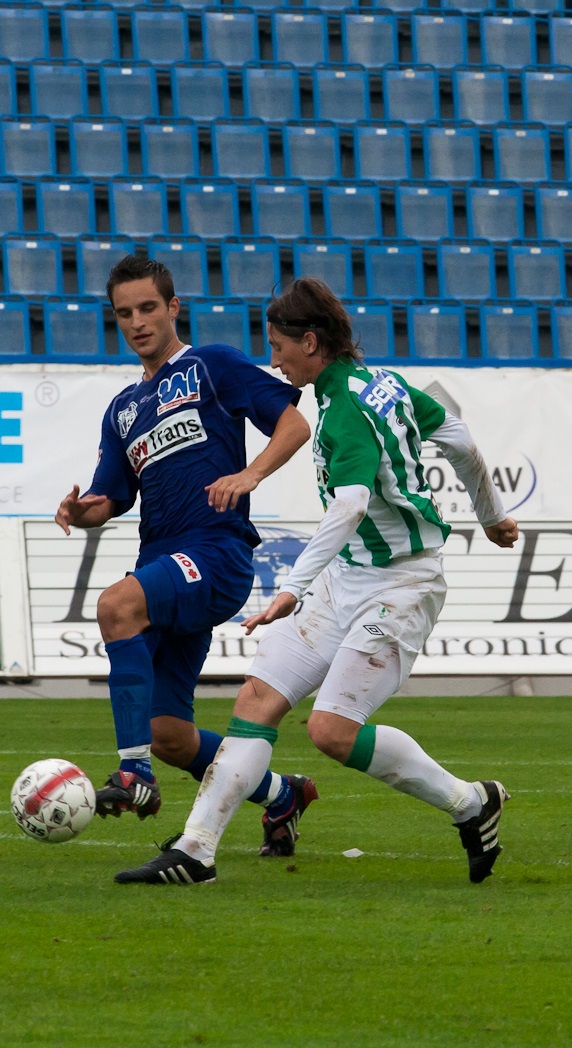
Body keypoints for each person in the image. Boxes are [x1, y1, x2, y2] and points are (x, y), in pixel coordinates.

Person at [115, 276, 519, 887]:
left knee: (331, 732)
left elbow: (352, 502)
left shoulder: (343, 409)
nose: (273, 360)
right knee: (256, 701)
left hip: (403, 583)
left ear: (310, 341)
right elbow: (458, 439)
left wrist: (292, 589)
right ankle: (195, 851)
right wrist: (491, 516)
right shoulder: (382, 384)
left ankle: (471, 804)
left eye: (278, 346)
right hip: (350, 575)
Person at [55, 255, 318, 857]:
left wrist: (250, 474)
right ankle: (281, 793)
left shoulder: (211, 364)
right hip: (167, 564)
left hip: (217, 553)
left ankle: (132, 776)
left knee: (116, 606)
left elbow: (293, 425)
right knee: (168, 734)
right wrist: (80, 510)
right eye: (125, 313)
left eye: (149, 308)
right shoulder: (123, 409)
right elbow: (111, 498)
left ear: (174, 308)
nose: (138, 322)